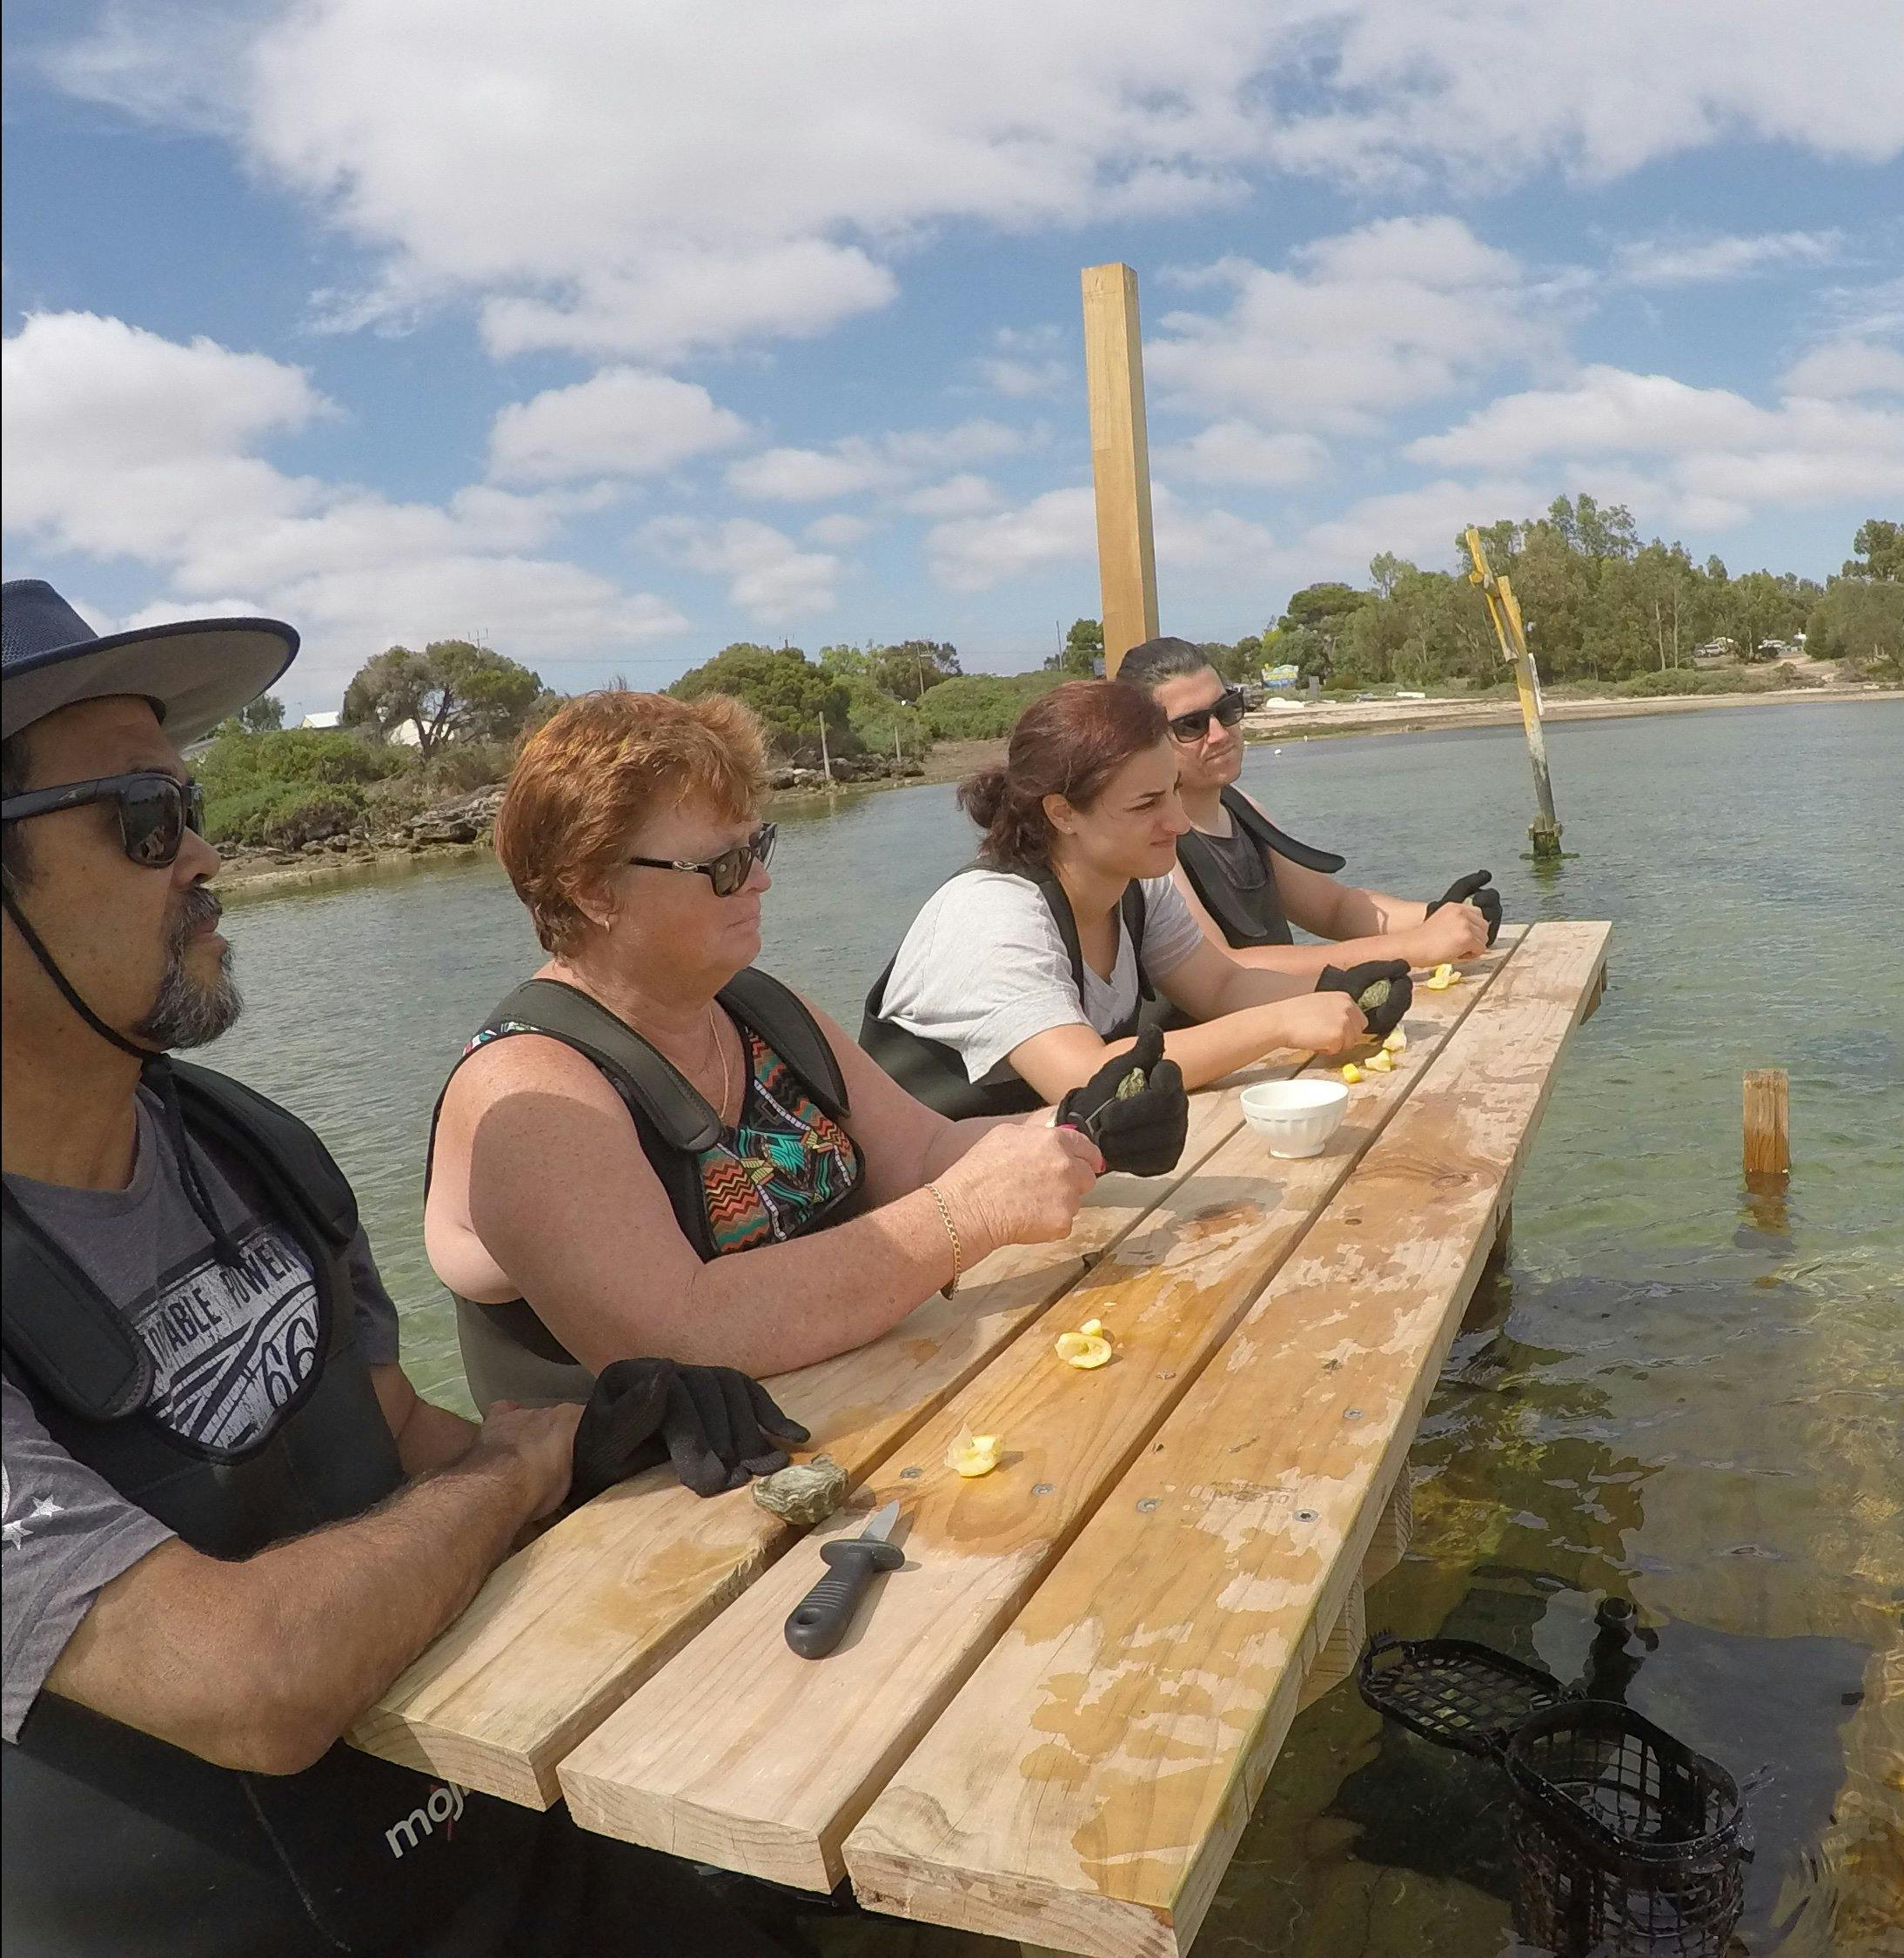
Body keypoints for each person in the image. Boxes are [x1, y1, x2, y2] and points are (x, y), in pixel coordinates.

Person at [0, 581, 788, 1955]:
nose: (204, 854)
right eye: (143, 817)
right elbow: (247, 1678)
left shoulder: (253, 1151)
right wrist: (512, 1475)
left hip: (495, 1850)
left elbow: (398, 1435)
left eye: (191, 804)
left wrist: (590, 1441)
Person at [424, 690, 1127, 1406]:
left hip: (869, 1414)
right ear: (593, 891)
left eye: (756, 847)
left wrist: (1085, 1126)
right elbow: (678, 1332)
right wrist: (965, 1216)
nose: (760, 879)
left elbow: (922, 1154)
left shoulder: (755, 1008)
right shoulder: (524, 1090)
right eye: (724, 866)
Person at [862, 679, 1404, 1117]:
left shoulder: (1136, 884)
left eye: (1173, 791)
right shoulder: (990, 915)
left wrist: (1341, 989)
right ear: (1062, 812)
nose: (1178, 822)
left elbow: (1220, 985)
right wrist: (1280, 1023)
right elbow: (1083, 1076)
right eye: (1146, 804)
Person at [1112, 637, 1500, 971]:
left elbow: (1333, 908)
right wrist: (1416, 946)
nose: (1219, 735)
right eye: (1191, 725)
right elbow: (1224, 970)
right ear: (1145, 739)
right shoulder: (1156, 843)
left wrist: (1440, 915)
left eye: (1227, 710)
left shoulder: (1243, 810)